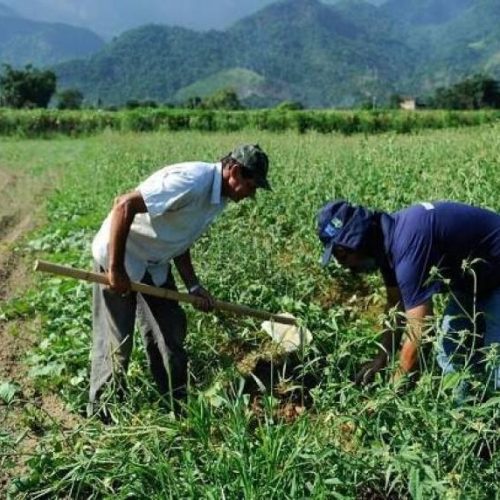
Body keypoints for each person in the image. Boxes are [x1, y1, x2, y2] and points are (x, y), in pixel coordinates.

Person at [89, 144, 271, 418]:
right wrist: (115, 270)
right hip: (122, 255)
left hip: (154, 262)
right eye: (251, 185)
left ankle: (176, 405)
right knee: (117, 342)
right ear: (233, 171)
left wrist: (194, 286)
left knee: (170, 331)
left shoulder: (218, 198)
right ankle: (102, 415)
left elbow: (180, 238)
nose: (251, 194)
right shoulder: (191, 181)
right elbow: (123, 205)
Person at [317, 200, 500, 394]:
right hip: (476, 282)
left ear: (355, 240)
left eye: (341, 255)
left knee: (495, 361)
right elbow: (396, 306)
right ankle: (467, 415)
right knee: (451, 350)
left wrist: (390, 396)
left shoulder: (408, 245)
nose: (343, 264)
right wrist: (382, 358)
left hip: (494, 275)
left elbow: (420, 332)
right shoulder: (387, 244)